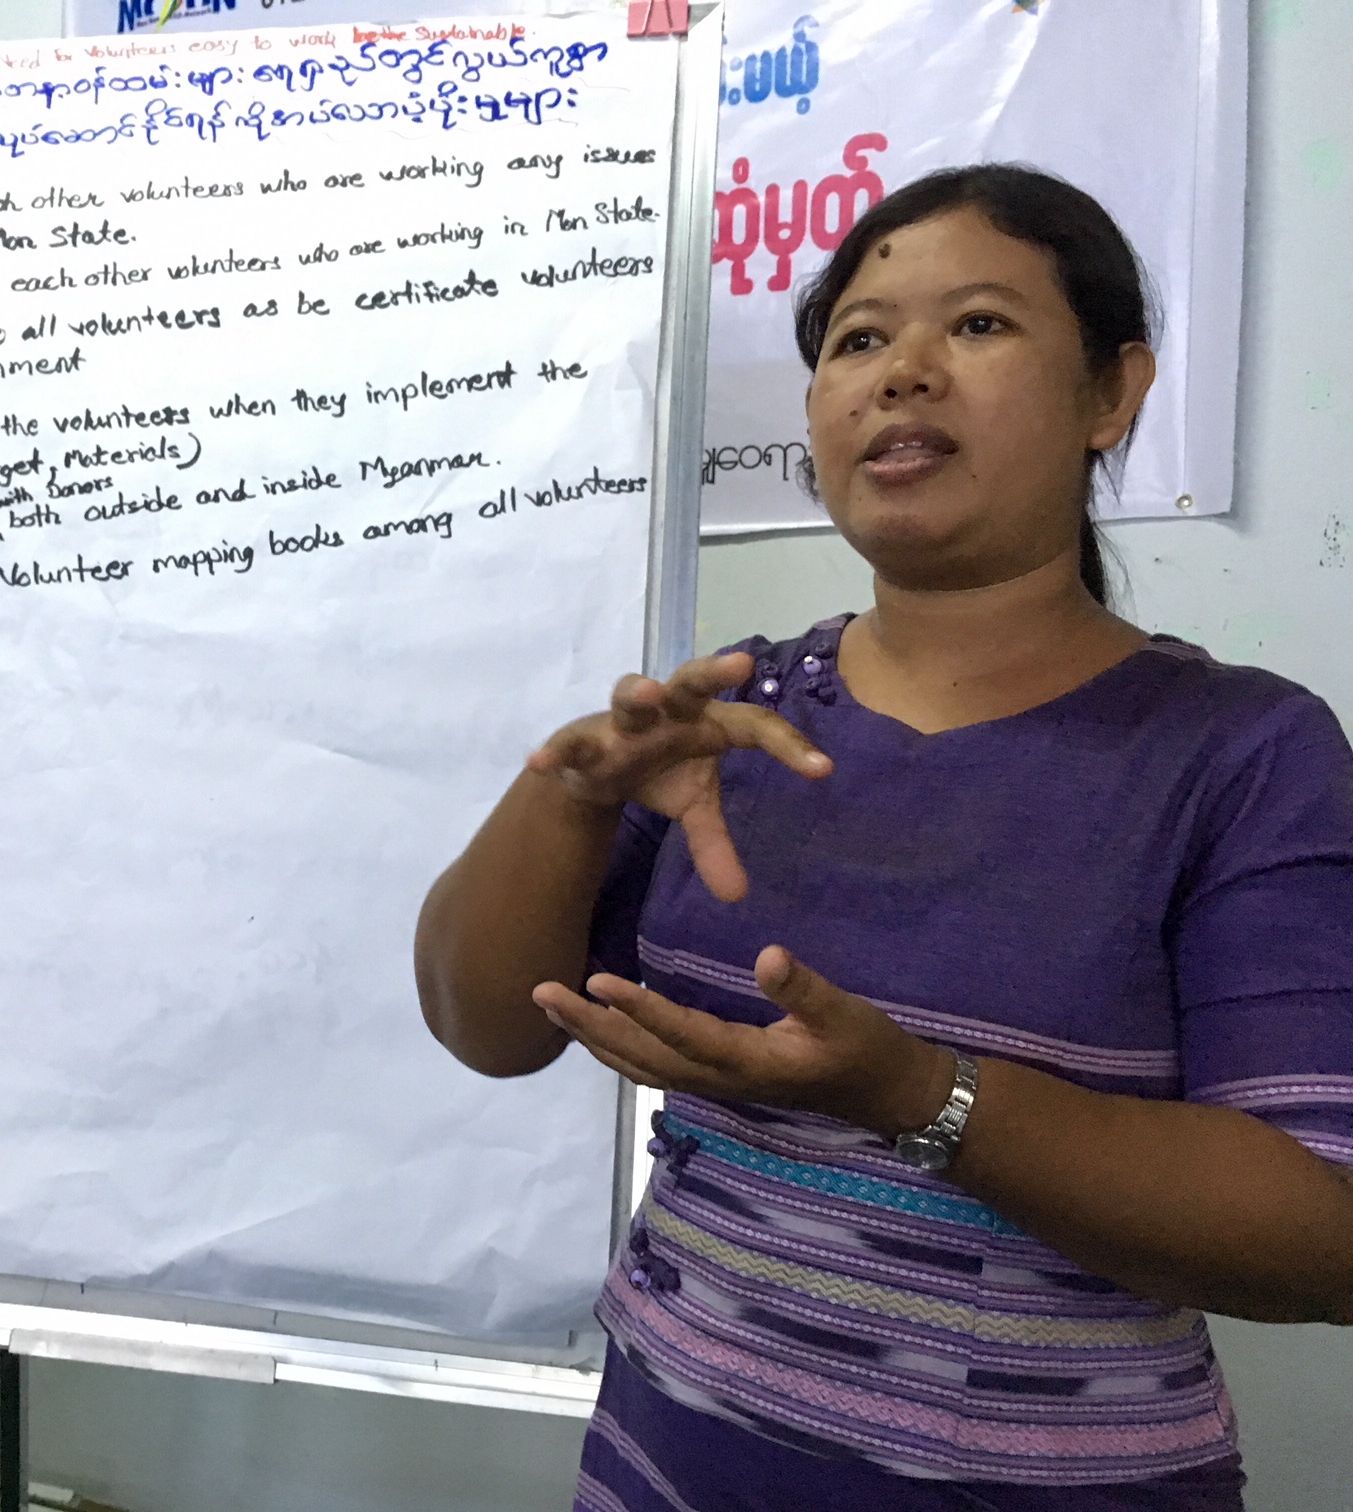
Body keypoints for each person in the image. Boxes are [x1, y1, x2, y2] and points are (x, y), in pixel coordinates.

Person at [416, 166, 1353, 1510]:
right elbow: (487, 1027)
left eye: (978, 324)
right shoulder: (730, 721)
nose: (903, 372)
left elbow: (1323, 1232)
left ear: (1113, 392)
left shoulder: (1242, 754)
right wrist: (564, 798)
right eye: (859, 339)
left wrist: (918, 1094)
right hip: (663, 1464)